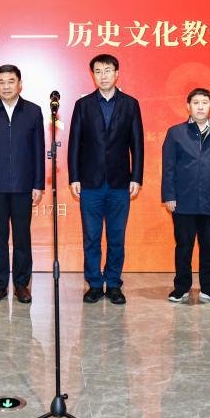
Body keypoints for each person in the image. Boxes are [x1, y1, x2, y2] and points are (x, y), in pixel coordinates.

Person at [68, 54, 144, 305]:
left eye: (108, 70)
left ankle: (113, 284)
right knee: (91, 237)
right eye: (98, 71)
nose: (103, 76)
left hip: (120, 183)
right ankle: (93, 284)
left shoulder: (130, 104)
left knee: (116, 237)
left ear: (117, 73)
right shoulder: (83, 105)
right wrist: (74, 176)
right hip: (90, 183)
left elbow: (137, 143)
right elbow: (74, 143)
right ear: (93, 75)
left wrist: (136, 176)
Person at [0, 65, 45, 304]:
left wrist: (38, 184)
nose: (6, 86)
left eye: (11, 81)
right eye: (1, 82)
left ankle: (22, 285)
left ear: (20, 84)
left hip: (24, 186)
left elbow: (38, 150)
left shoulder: (33, 111)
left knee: (22, 238)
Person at [161, 88, 210, 304]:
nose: (200, 107)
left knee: (209, 247)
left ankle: (209, 289)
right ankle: (181, 287)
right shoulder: (175, 132)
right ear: (188, 107)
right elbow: (168, 167)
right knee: (184, 246)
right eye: (196, 103)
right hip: (182, 201)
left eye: (204, 102)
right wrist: (169, 195)